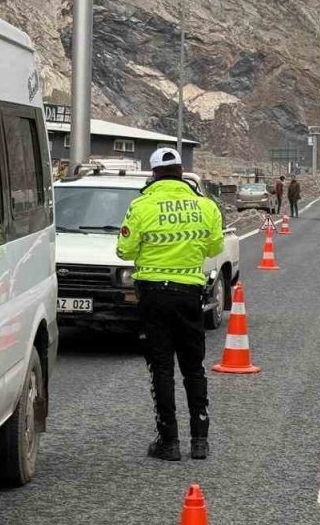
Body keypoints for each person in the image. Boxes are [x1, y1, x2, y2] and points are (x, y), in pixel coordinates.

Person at [117, 148, 224, 461]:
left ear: (154, 174)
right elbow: (215, 245)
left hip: (153, 297)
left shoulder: (141, 205)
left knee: (161, 367)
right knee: (194, 367)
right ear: (181, 172)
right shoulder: (206, 206)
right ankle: (200, 441)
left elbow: (124, 251)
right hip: (190, 295)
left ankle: (169, 442)